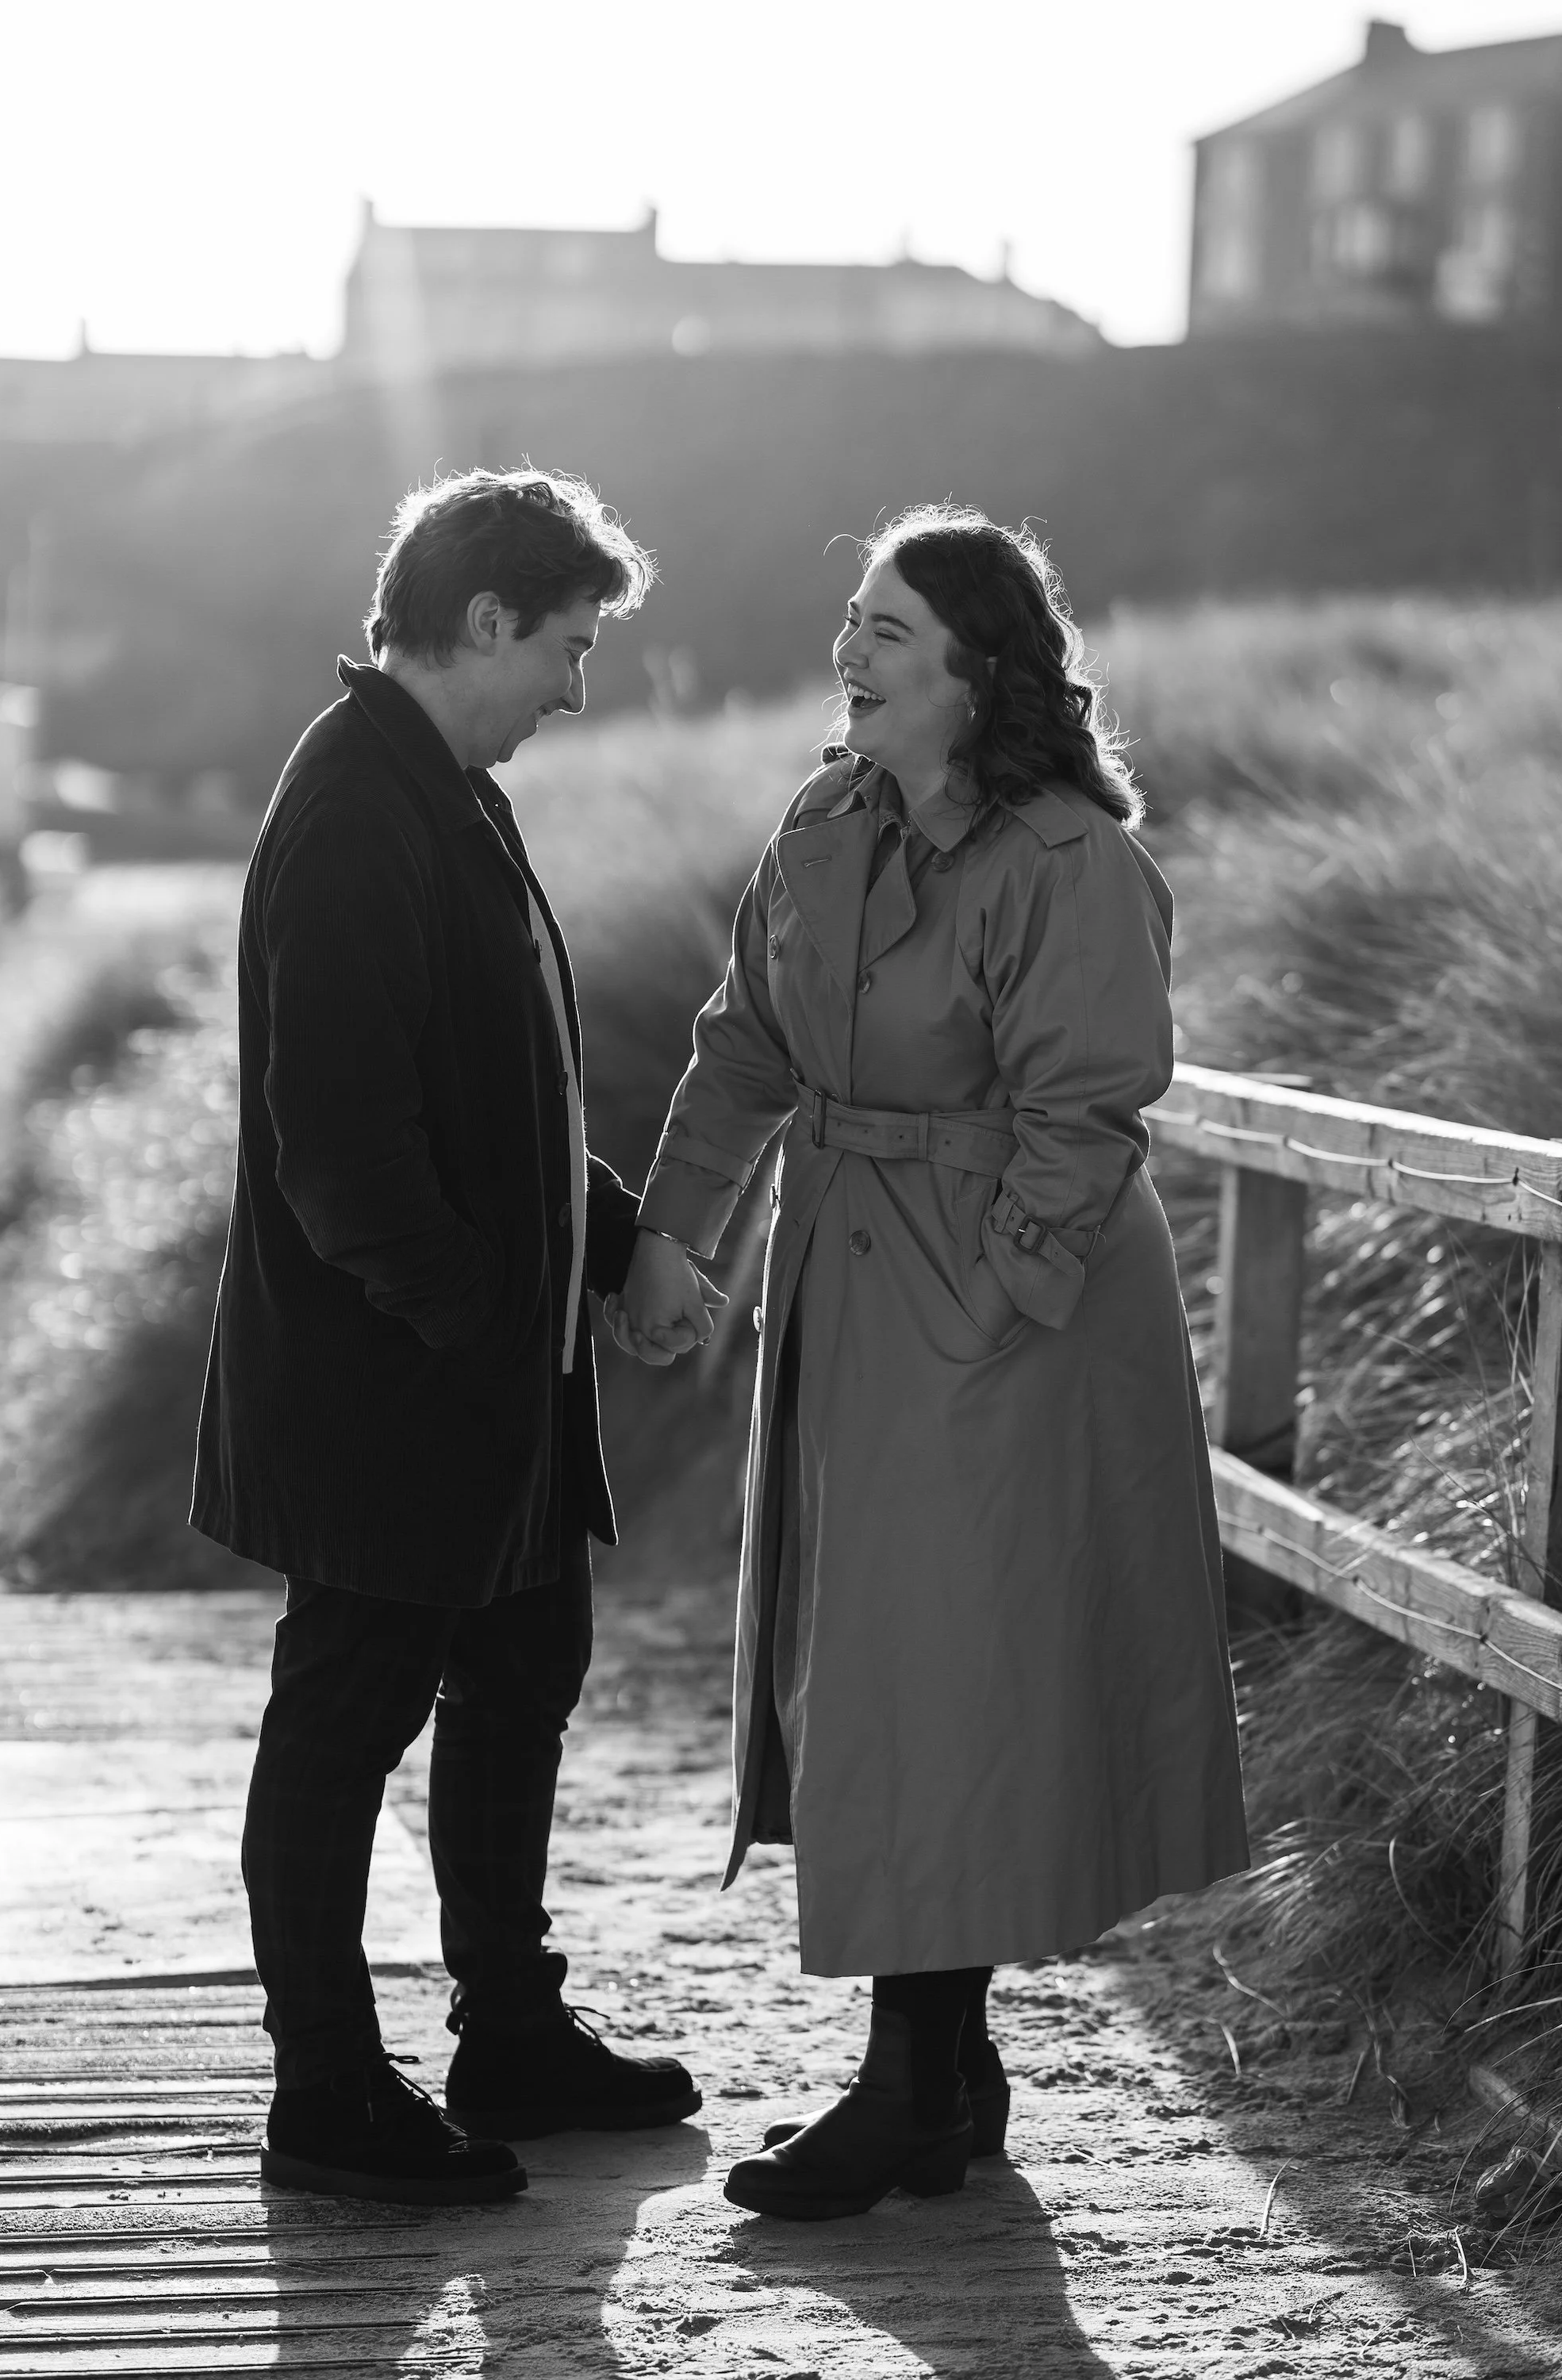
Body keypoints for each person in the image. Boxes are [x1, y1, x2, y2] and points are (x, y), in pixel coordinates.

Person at [614, 503, 1249, 2221]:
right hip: (849, 1281)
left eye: (886, 631)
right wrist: (674, 1241)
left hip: (1001, 1326)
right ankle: (951, 2073)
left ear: (979, 673)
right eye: (852, 621)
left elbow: (1089, 1104)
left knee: (942, 1675)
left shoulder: (1072, 862)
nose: (848, 653)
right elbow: (745, 1046)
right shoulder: (825, 823)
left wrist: (993, 1307)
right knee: (880, 1661)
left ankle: (910, 2085)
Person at [192, 468, 715, 2206]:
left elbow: (502, 1096)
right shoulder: (359, 809)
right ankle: (327, 2096)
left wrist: (620, 1243)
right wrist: (492, 1328)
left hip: (484, 1385)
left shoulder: (444, 788)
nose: (578, 685)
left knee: (519, 1680)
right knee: (343, 1723)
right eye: (566, 646)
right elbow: (344, 1153)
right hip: (395, 1392)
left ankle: (510, 2034)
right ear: (484, 621)